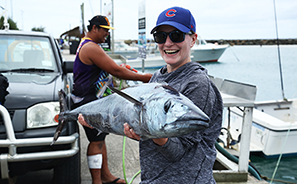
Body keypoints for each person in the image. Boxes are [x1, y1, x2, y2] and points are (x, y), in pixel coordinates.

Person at [123, 7, 223, 183]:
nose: (168, 43)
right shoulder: (158, 76)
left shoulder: (198, 84)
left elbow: (177, 152)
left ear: (193, 39)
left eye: (176, 35)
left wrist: (154, 133)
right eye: (161, 37)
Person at [72, 15, 152, 184]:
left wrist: (119, 69)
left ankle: (106, 176)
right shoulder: (91, 47)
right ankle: (96, 181)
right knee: (95, 140)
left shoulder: (86, 44)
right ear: (94, 28)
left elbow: (109, 68)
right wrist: (147, 78)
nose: (107, 34)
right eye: (105, 30)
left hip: (91, 99)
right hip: (88, 101)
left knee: (101, 137)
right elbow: (117, 72)